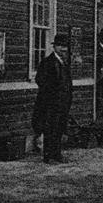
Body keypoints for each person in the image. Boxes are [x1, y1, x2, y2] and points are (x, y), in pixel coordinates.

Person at [35, 32, 73, 163]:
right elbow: (40, 80)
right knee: (50, 128)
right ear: (55, 47)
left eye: (65, 46)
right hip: (50, 103)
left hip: (63, 102)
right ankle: (48, 156)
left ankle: (57, 154)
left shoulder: (64, 63)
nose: (63, 49)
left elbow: (68, 83)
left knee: (59, 128)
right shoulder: (47, 63)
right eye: (61, 46)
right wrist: (51, 94)